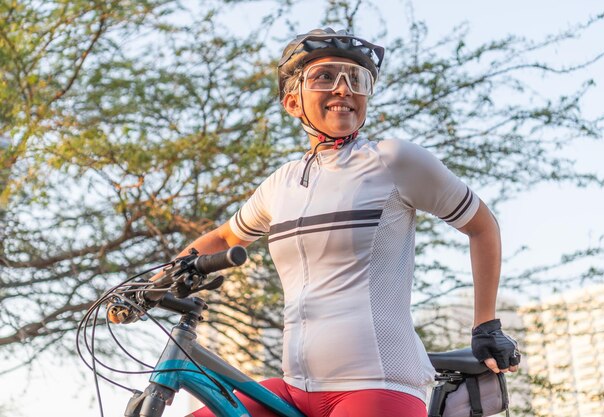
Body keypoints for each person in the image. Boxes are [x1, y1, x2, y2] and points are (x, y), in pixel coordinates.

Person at [181, 28, 519, 417]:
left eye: (355, 79)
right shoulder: (280, 184)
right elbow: (223, 237)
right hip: (294, 390)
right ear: (293, 102)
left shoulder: (394, 161)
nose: (343, 88)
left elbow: (482, 226)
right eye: (325, 77)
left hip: (378, 387)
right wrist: (150, 282)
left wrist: (485, 325)